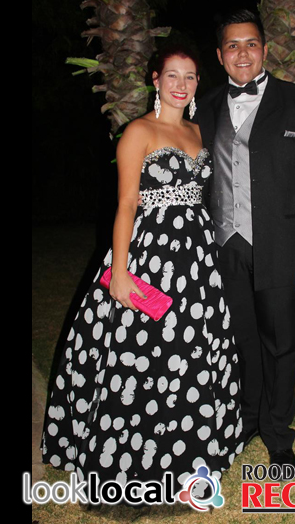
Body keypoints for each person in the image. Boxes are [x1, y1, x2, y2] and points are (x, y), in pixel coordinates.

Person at [41, 46, 243, 498]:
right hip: (151, 258)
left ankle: (191, 453)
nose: (181, 84)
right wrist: (120, 271)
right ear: (156, 79)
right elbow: (127, 204)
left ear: (197, 83)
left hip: (197, 263)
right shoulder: (138, 131)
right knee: (144, 354)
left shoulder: (199, 131)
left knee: (192, 352)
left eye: (190, 76)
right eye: (172, 75)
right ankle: (133, 457)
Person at [196, 9, 295, 467]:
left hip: (280, 248)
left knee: (281, 344)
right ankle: (248, 419)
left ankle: (278, 434)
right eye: (233, 45)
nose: (243, 53)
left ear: (265, 50)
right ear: (220, 55)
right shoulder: (204, 107)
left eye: (251, 44)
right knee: (242, 342)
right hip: (224, 247)